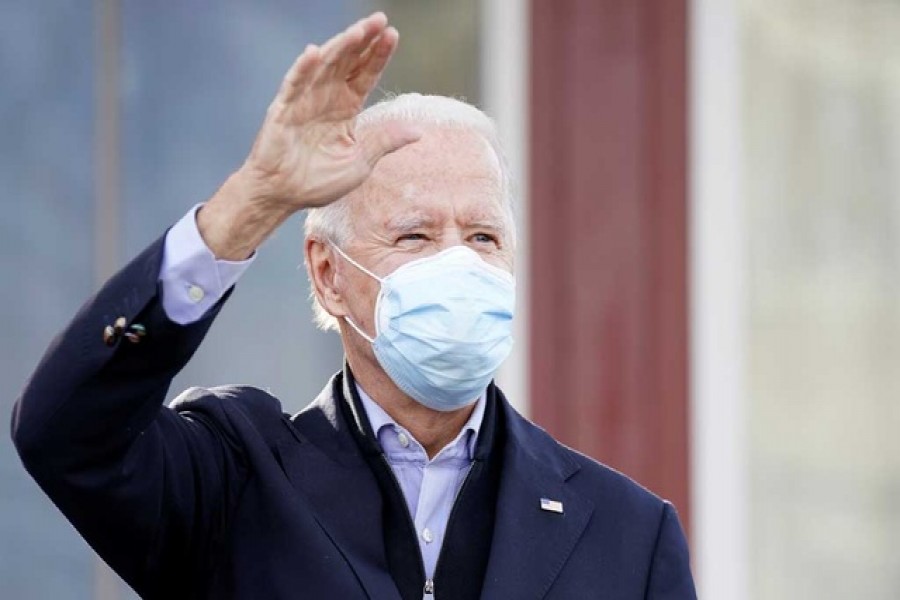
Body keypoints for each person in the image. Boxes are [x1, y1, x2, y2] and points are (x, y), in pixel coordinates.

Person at [11, 12, 696, 600]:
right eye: (415, 235)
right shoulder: (234, 483)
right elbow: (64, 432)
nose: (457, 262)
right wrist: (251, 204)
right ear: (329, 272)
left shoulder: (626, 533)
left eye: (483, 236)